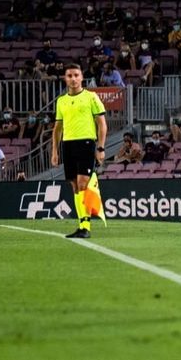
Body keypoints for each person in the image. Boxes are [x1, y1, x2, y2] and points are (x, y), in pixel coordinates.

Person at [50, 63, 108, 238]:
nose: (73, 79)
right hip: (68, 145)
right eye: (69, 76)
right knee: (74, 185)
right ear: (65, 79)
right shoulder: (61, 101)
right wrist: (54, 150)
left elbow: (102, 124)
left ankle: (86, 226)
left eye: (76, 75)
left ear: (82, 77)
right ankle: (82, 224)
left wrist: (101, 147)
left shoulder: (91, 97)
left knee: (83, 183)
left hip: (86, 143)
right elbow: (57, 128)